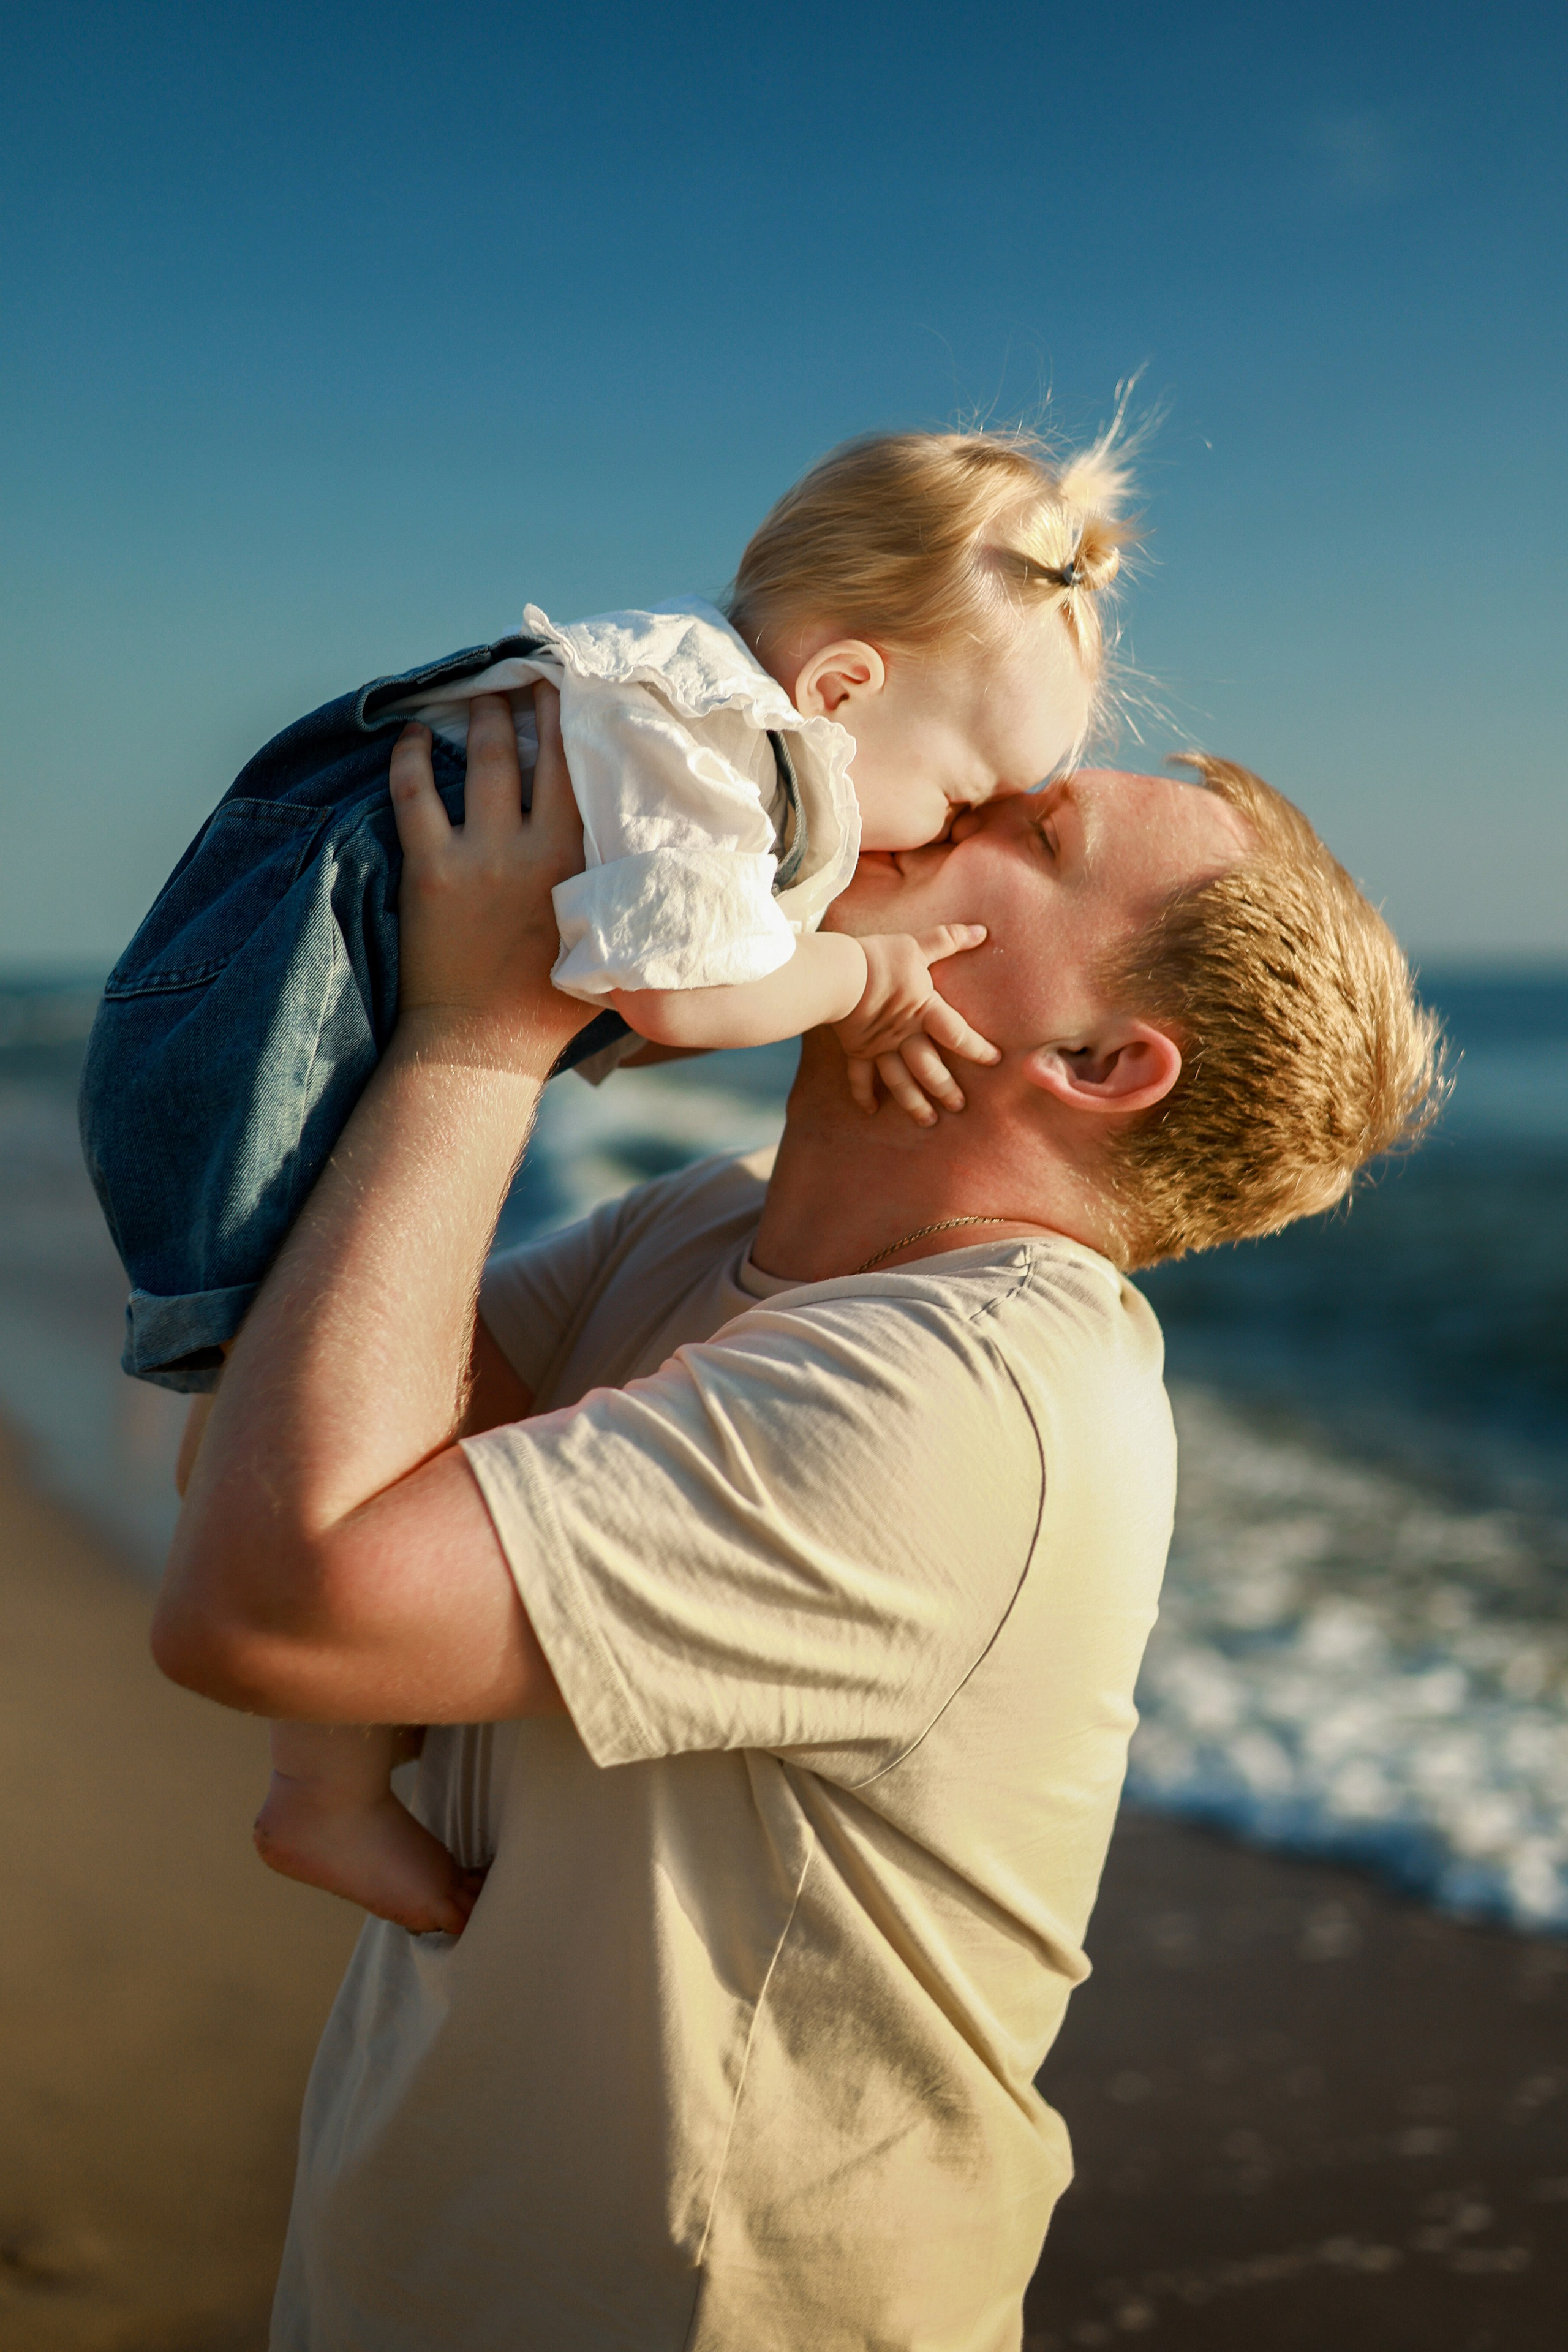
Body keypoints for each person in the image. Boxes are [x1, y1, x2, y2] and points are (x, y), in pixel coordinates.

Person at [153, 690, 1441, 2351]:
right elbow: (251, 1480)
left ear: (1097, 1062)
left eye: (1030, 835)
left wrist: (484, 1033)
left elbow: (273, 1606)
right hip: (417, 2265)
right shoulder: (709, 1225)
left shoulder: (974, 1393)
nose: (947, 803)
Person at [88, 424, 1129, 1930]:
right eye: (968, 795)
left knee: (292, 1375)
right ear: (840, 693)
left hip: (261, 998)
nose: (946, 833)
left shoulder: (667, 697)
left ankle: (296, 1645)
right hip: (292, 1033)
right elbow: (684, 1004)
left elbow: (616, 990)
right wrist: (857, 977)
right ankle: (319, 1791)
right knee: (316, 1386)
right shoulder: (723, 760)